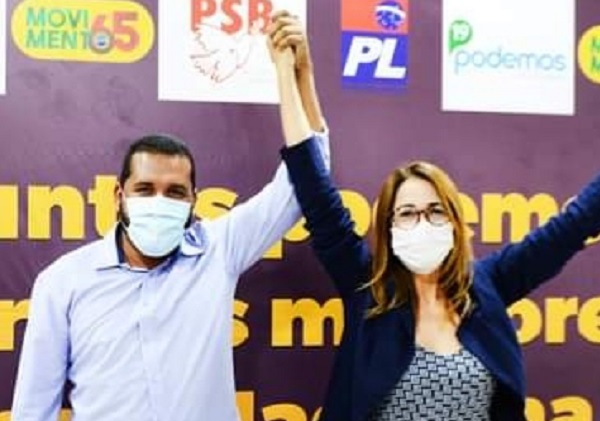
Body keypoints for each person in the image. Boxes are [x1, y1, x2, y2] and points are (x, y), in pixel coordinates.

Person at [271, 20, 600, 421]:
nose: (422, 223)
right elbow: (315, 189)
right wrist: (293, 75)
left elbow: (572, 225)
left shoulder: (489, 285)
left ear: (455, 223)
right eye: (407, 214)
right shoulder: (367, 289)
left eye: (435, 211)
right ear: (389, 227)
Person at [11, 15, 326, 421]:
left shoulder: (218, 252)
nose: (159, 201)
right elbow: (33, 410)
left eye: (175, 192)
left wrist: (299, 75)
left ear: (193, 201)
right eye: (145, 189)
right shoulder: (63, 282)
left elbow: (304, 185)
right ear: (119, 197)